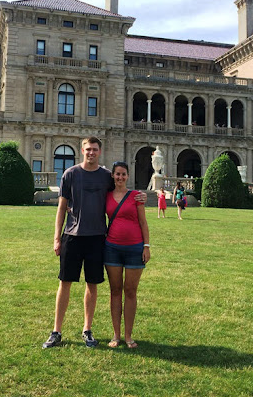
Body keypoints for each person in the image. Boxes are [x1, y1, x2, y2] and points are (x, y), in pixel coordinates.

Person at [43, 137, 146, 349]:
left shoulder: (106, 176)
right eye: (88, 149)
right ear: (82, 151)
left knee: (92, 284)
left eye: (95, 149)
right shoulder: (70, 174)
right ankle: (56, 331)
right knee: (64, 283)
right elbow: (61, 208)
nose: (91, 152)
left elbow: (121, 190)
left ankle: (87, 329)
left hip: (97, 238)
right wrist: (56, 238)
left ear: (100, 151)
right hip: (72, 235)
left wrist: (140, 196)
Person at [104, 162, 150, 349]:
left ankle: (128, 335)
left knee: (130, 292)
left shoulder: (136, 196)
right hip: (112, 248)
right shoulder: (106, 196)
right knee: (115, 291)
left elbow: (143, 222)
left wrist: (146, 246)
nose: (120, 177)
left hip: (134, 248)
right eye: (117, 174)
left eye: (123, 174)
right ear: (112, 176)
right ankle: (116, 335)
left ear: (128, 176)